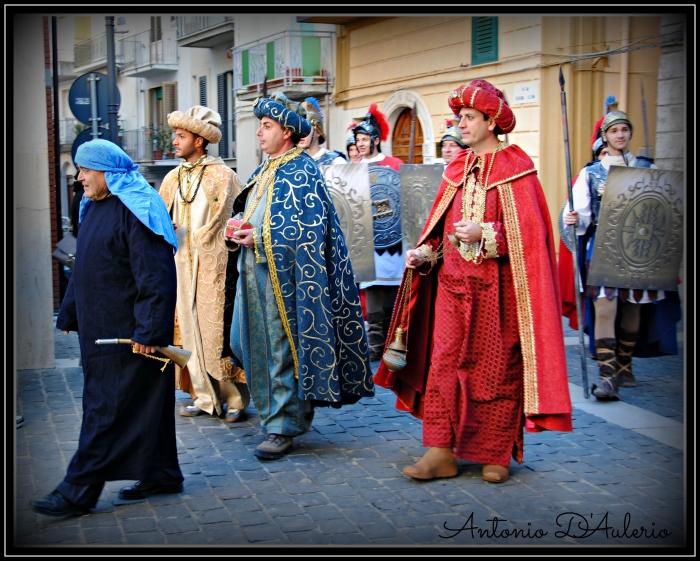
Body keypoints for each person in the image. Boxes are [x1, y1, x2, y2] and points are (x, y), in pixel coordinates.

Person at [374, 80, 573, 484]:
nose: (460, 124)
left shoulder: (517, 168)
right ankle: (439, 450)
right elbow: (440, 235)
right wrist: (423, 255)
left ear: (490, 120)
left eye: (468, 118)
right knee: (443, 365)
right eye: (459, 118)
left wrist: (487, 234)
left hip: (496, 292)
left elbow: (531, 240)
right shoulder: (455, 170)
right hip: (451, 289)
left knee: (494, 369)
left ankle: (494, 452)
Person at [30, 139, 183, 516]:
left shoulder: (138, 208)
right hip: (102, 329)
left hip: (129, 334)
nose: (79, 177)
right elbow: (84, 265)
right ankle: (162, 472)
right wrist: (70, 313)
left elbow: (156, 278)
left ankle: (77, 490)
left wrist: (150, 332)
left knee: (106, 409)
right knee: (146, 402)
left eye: (86, 170)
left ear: (109, 173)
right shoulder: (94, 205)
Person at [225, 97, 375, 461]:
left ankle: (283, 425)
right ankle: (271, 411)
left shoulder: (302, 171)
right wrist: (237, 231)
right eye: (260, 125)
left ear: (287, 133)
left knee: (281, 350)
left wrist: (258, 237)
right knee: (248, 344)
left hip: (285, 279)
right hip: (252, 277)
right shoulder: (263, 171)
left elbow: (308, 232)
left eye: (267, 126)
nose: (259, 132)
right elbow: (253, 215)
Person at [564, 110, 680, 400]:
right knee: (605, 307)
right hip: (603, 247)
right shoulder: (592, 173)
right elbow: (581, 214)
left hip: (638, 248)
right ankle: (607, 376)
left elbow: (662, 207)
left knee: (632, 311)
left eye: (624, 129)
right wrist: (574, 219)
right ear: (605, 136)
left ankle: (625, 363)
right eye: (614, 130)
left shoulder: (646, 169)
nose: (620, 135)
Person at [159, 105, 250, 422]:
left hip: (216, 268)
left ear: (199, 140)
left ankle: (235, 399)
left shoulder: (224, 176)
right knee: (189, 329)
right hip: (181, 268)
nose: (175, 142)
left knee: (217, 332)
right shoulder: (172, 178)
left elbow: (242, 216)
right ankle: (203, 396)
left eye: (181, 136)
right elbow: (160, 219)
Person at [354, 104, 405, 360]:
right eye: (358, 140)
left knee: (393, 293)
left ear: (375, 140)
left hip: (392, 240)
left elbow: (402, 199)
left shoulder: (394, 164)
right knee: (372, 292)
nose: (361, 144)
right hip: (367, 241)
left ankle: (393, 342)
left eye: (364, 140)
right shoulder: (353, 169)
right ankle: (375, 344)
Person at [296, 96, 347, 165]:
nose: (300, 134)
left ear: (318, 131)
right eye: (297, 128)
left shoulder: (336, 162)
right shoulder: (295, 163)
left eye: (306, 128)